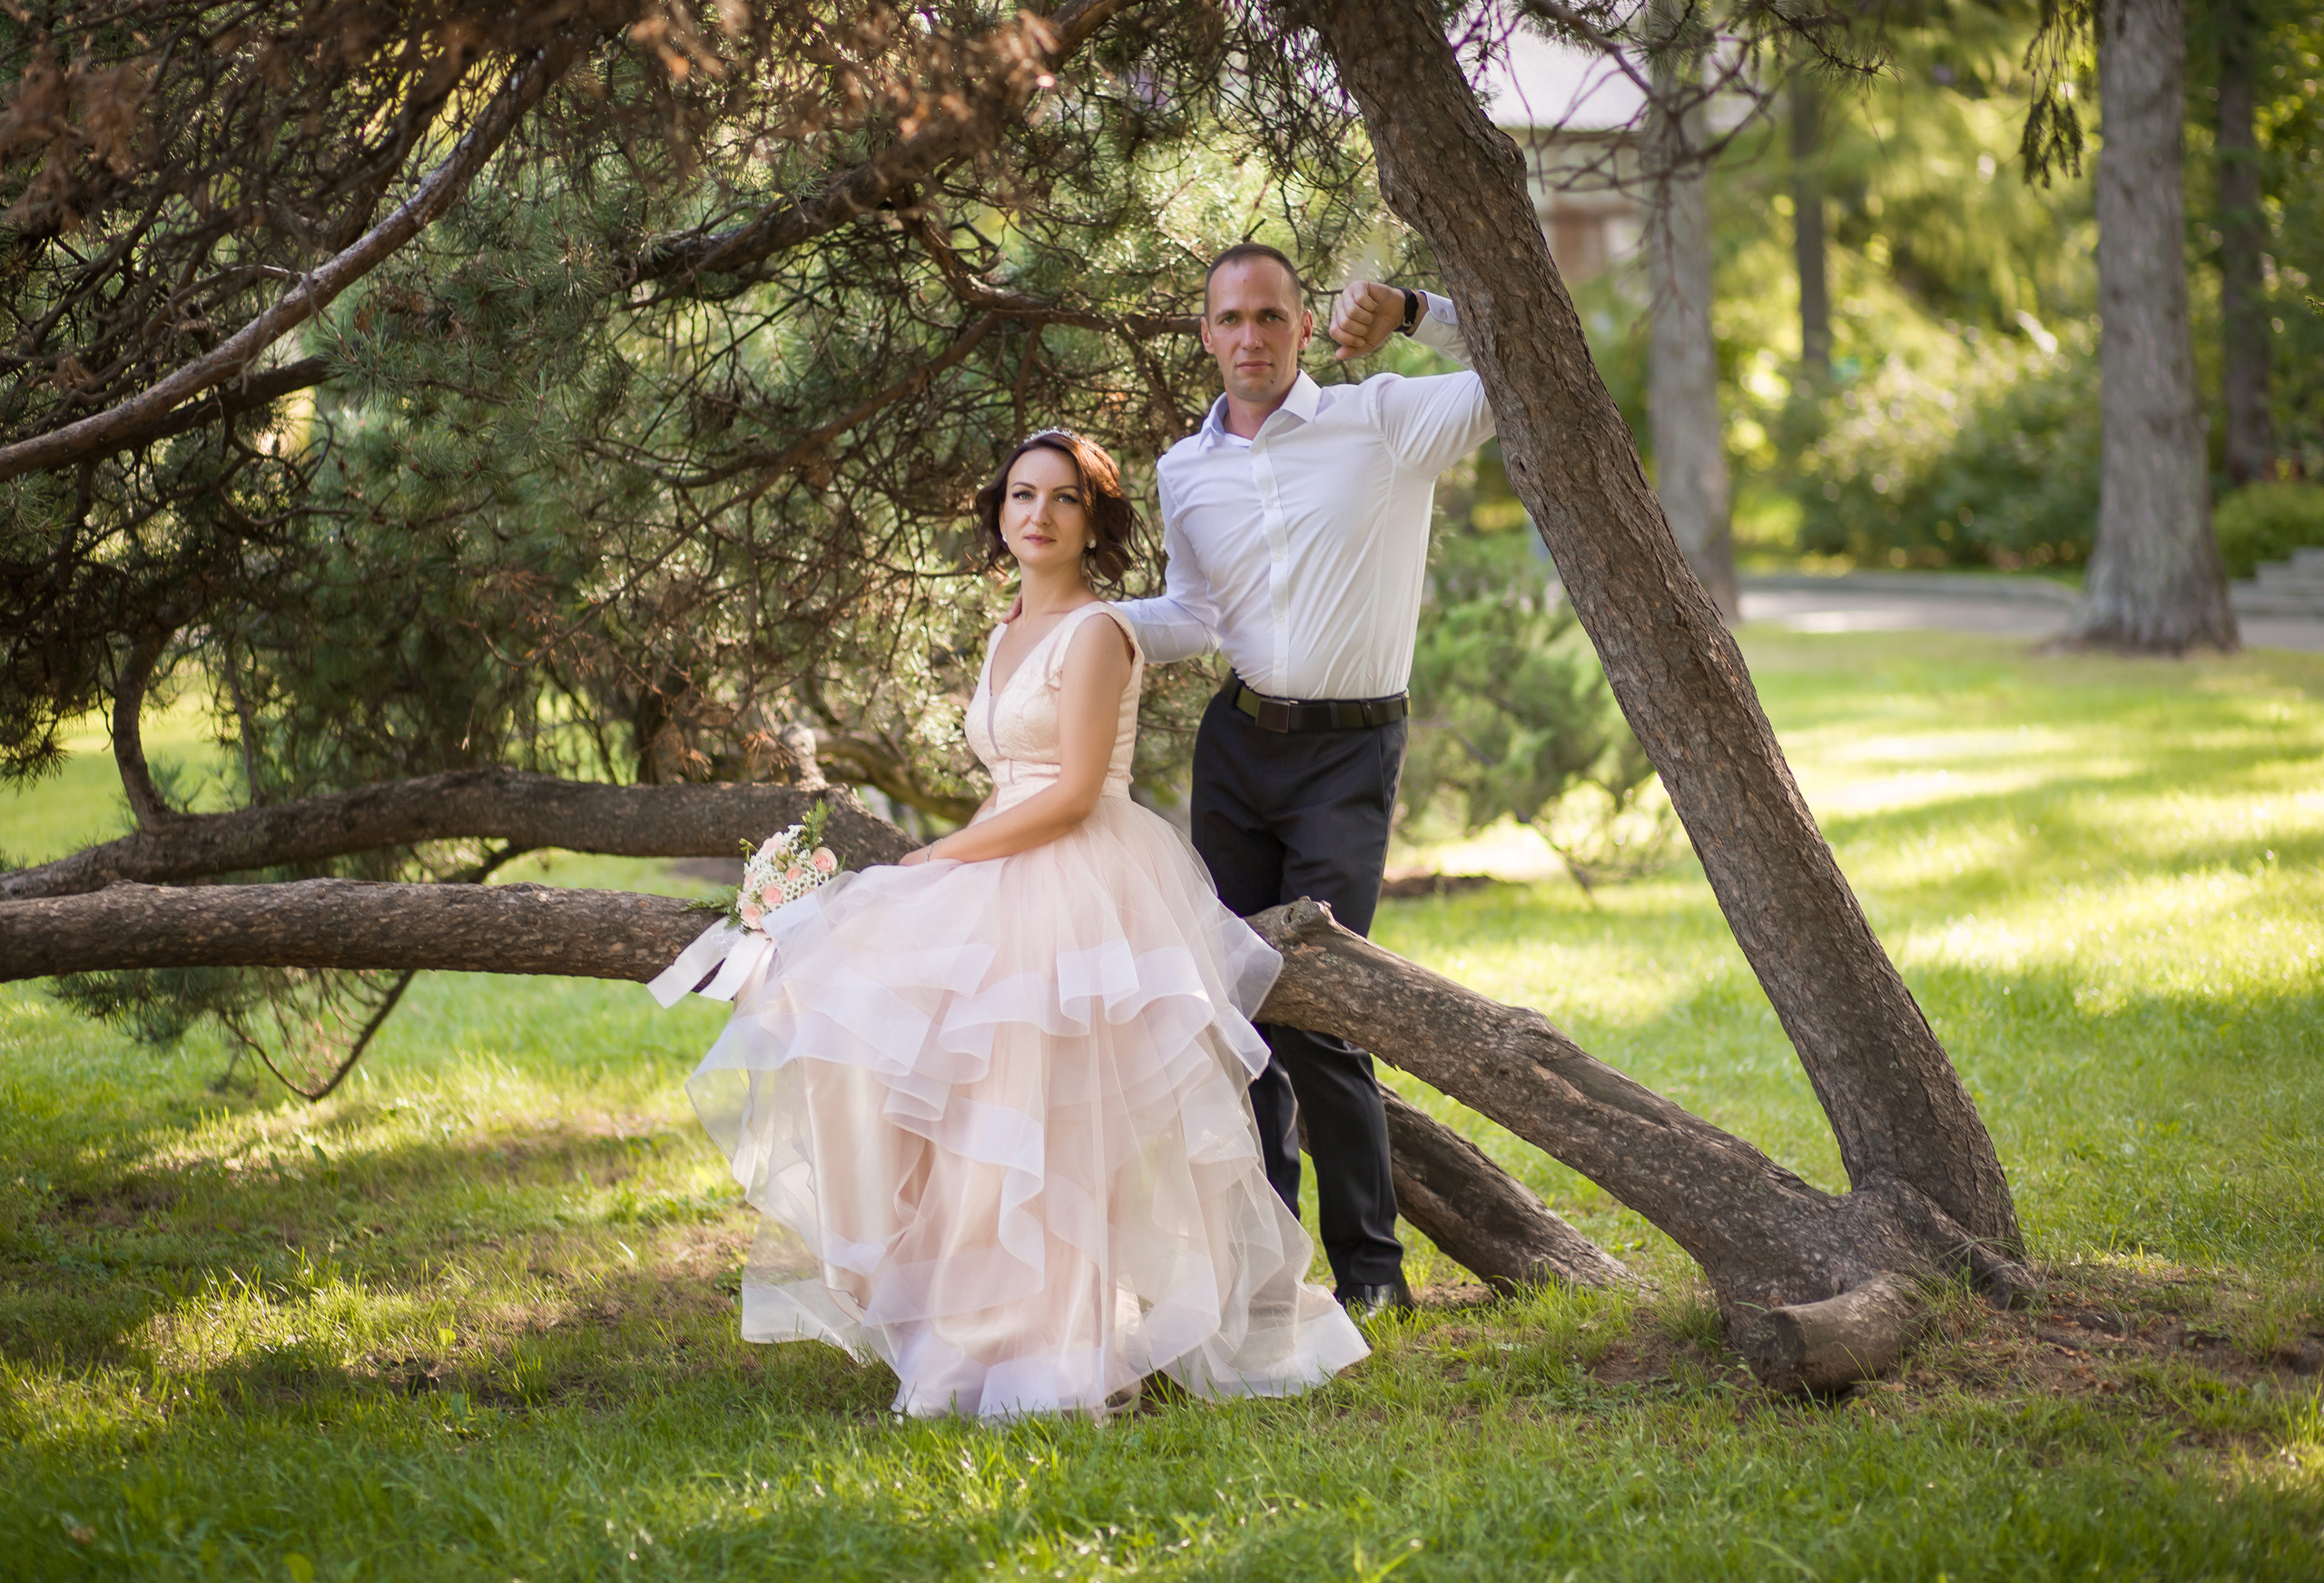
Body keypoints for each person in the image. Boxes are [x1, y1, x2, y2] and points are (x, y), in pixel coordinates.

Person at [654, 429, 1368, 1421]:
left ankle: (1061, 1350)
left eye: (1064, 499)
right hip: (1003, 850)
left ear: (1093, 523)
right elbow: (1009, 781)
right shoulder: (1007, 629)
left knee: (1040, 1116)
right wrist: (942, 862)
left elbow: (1074, 792)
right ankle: (950, 1311)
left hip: (1080, 872)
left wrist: (936, 858)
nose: (1038, 514)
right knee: (873, 1037)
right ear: (999, 513)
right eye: (1022, 495)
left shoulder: (1099, 632)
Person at [1111, 244, 1495, 1318]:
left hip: (1348, 755)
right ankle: (1264, 1270)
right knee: (1238, 1011)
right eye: (1229, 319)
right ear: (1204, 334)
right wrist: (1093, 623)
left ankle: (1372, 1273)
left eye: (1270, 317)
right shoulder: (1183, 468)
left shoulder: (1383, 420)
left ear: (1299, 325)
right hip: (1238, 752)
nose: (1249, 337)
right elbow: (1191, 614)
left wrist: (1419, 306)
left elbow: (1526, 363)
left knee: (1324, 1013)